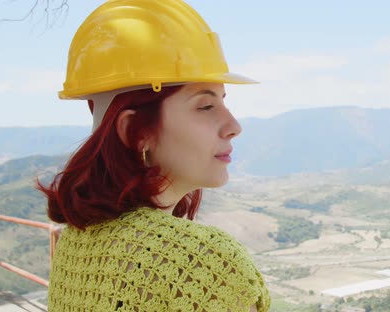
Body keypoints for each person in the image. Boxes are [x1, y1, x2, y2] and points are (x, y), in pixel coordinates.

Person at [37, 0, 270, 311]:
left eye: (224, 101)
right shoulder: (205, 265)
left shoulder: (75, 242)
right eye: (205, 106)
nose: (233, 126)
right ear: (135, 130)